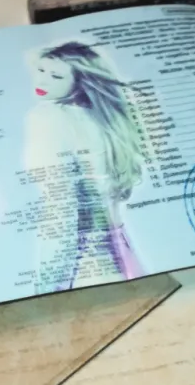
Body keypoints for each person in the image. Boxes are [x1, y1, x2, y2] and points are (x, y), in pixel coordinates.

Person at [23, 41, 143, 293]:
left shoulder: (49, 118)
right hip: (124, 258)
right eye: (41, 70)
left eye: (56, 76)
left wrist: (45, 289)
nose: (42, 81)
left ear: (81, 83)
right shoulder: (106, 121)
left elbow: (62, 210)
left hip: (83, 268)